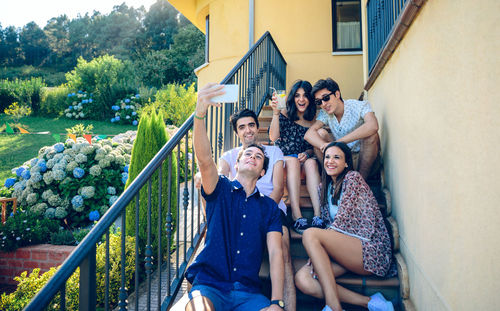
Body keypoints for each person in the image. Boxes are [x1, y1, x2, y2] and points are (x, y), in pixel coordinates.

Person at [185, 83, 285, 311]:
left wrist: (277, 302)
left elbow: (276, 253)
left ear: (262, 172)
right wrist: (199, 115)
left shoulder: (269, 208)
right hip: (209, 286)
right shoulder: (219, 189)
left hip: (249, 294)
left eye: (258, 156)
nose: (252, 155)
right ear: (236, 163)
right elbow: (204, 160)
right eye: (247, 153)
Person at [294, 142, 396, 311]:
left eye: (336, 157)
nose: (330, 161)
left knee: (310, 234)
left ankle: (334, 307)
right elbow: (329, 224)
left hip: (369, 250)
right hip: (345, 251)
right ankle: (370, 301)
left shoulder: (353, 178)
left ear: (346, 162)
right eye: (327, 157)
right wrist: (318, 250)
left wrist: (317, 244)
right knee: (303, 279)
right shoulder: (325, 188)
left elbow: (343, 220)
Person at [219, 108, 297, 311]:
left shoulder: (273, 152)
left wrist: (258, 215)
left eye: (251, 125)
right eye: (242, 127)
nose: (248, 130)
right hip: (238, 211)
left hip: (271, 209)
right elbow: (219, 180)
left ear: (258, 127)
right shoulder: (229, 156)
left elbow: (279, 189)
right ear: (237, 132)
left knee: (284, 246)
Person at [268, 80, 323, 234]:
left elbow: (312, 148)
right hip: (283, 161)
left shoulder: (313, 119)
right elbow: (273, 137)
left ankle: (318, 215)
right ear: (292, 98)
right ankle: (297, 215)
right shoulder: (284, 113)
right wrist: (275, 113)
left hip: (301, 164)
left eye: (305, 96)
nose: (301, 99)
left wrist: (307, 154)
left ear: (310, 99)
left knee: (312, 163)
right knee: (292, 161)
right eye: (297, 95)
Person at [304, 78, 380, 181]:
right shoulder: (325, 113)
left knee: (372, 136)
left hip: (363, 158)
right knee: (320, 133)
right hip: (341, 159)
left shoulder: (358, 106)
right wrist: (324, 146)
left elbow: (373, 125)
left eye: (326, 98)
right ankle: (331, 182)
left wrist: (337, 142)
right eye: (319, 102)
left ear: (337, 94)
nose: (323, 104)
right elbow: (309, 134)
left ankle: (360, 184)